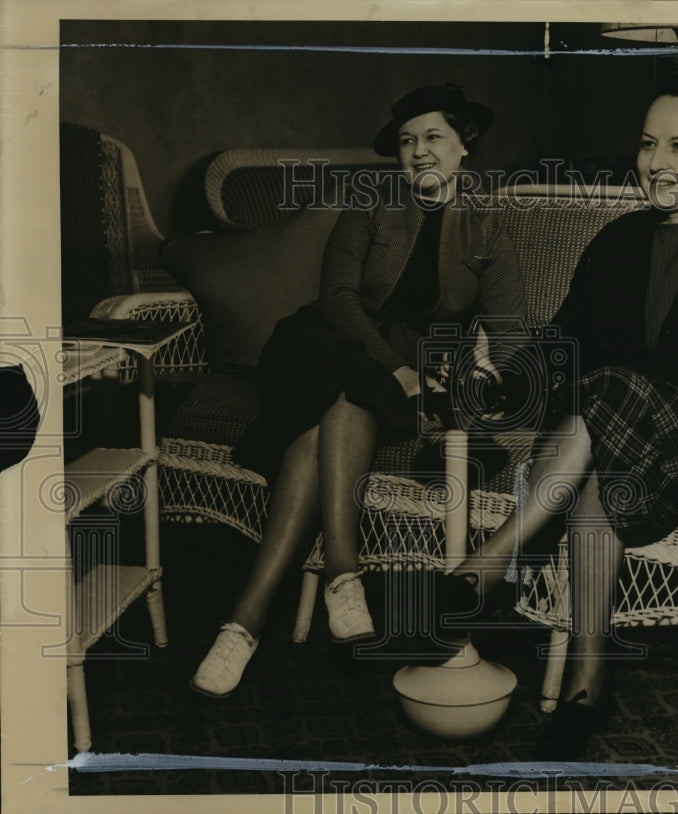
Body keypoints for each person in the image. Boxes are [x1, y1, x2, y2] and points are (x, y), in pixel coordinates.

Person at [433, 84, 678, 756]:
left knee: (606, 396)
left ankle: (489, 565)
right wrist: (499, 385)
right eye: (648, 142)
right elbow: (565, 338)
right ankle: (585, 691)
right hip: (625, 419)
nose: (656, 159)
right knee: (597, 480)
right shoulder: (620, 238)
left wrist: (619, 385)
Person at [191, 83, 526, 697]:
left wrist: (485, 378)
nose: (420, 152)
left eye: (433, 138)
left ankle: (243, 624)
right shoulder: (369, 206)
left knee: (336, 413)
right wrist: (399, 372)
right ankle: (346, 573)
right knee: (354, 377)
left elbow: (508, 332)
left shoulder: (487, 233)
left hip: (381, 382)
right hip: (318, 347)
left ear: (462, 147)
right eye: (407, 141)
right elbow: (337, 304)